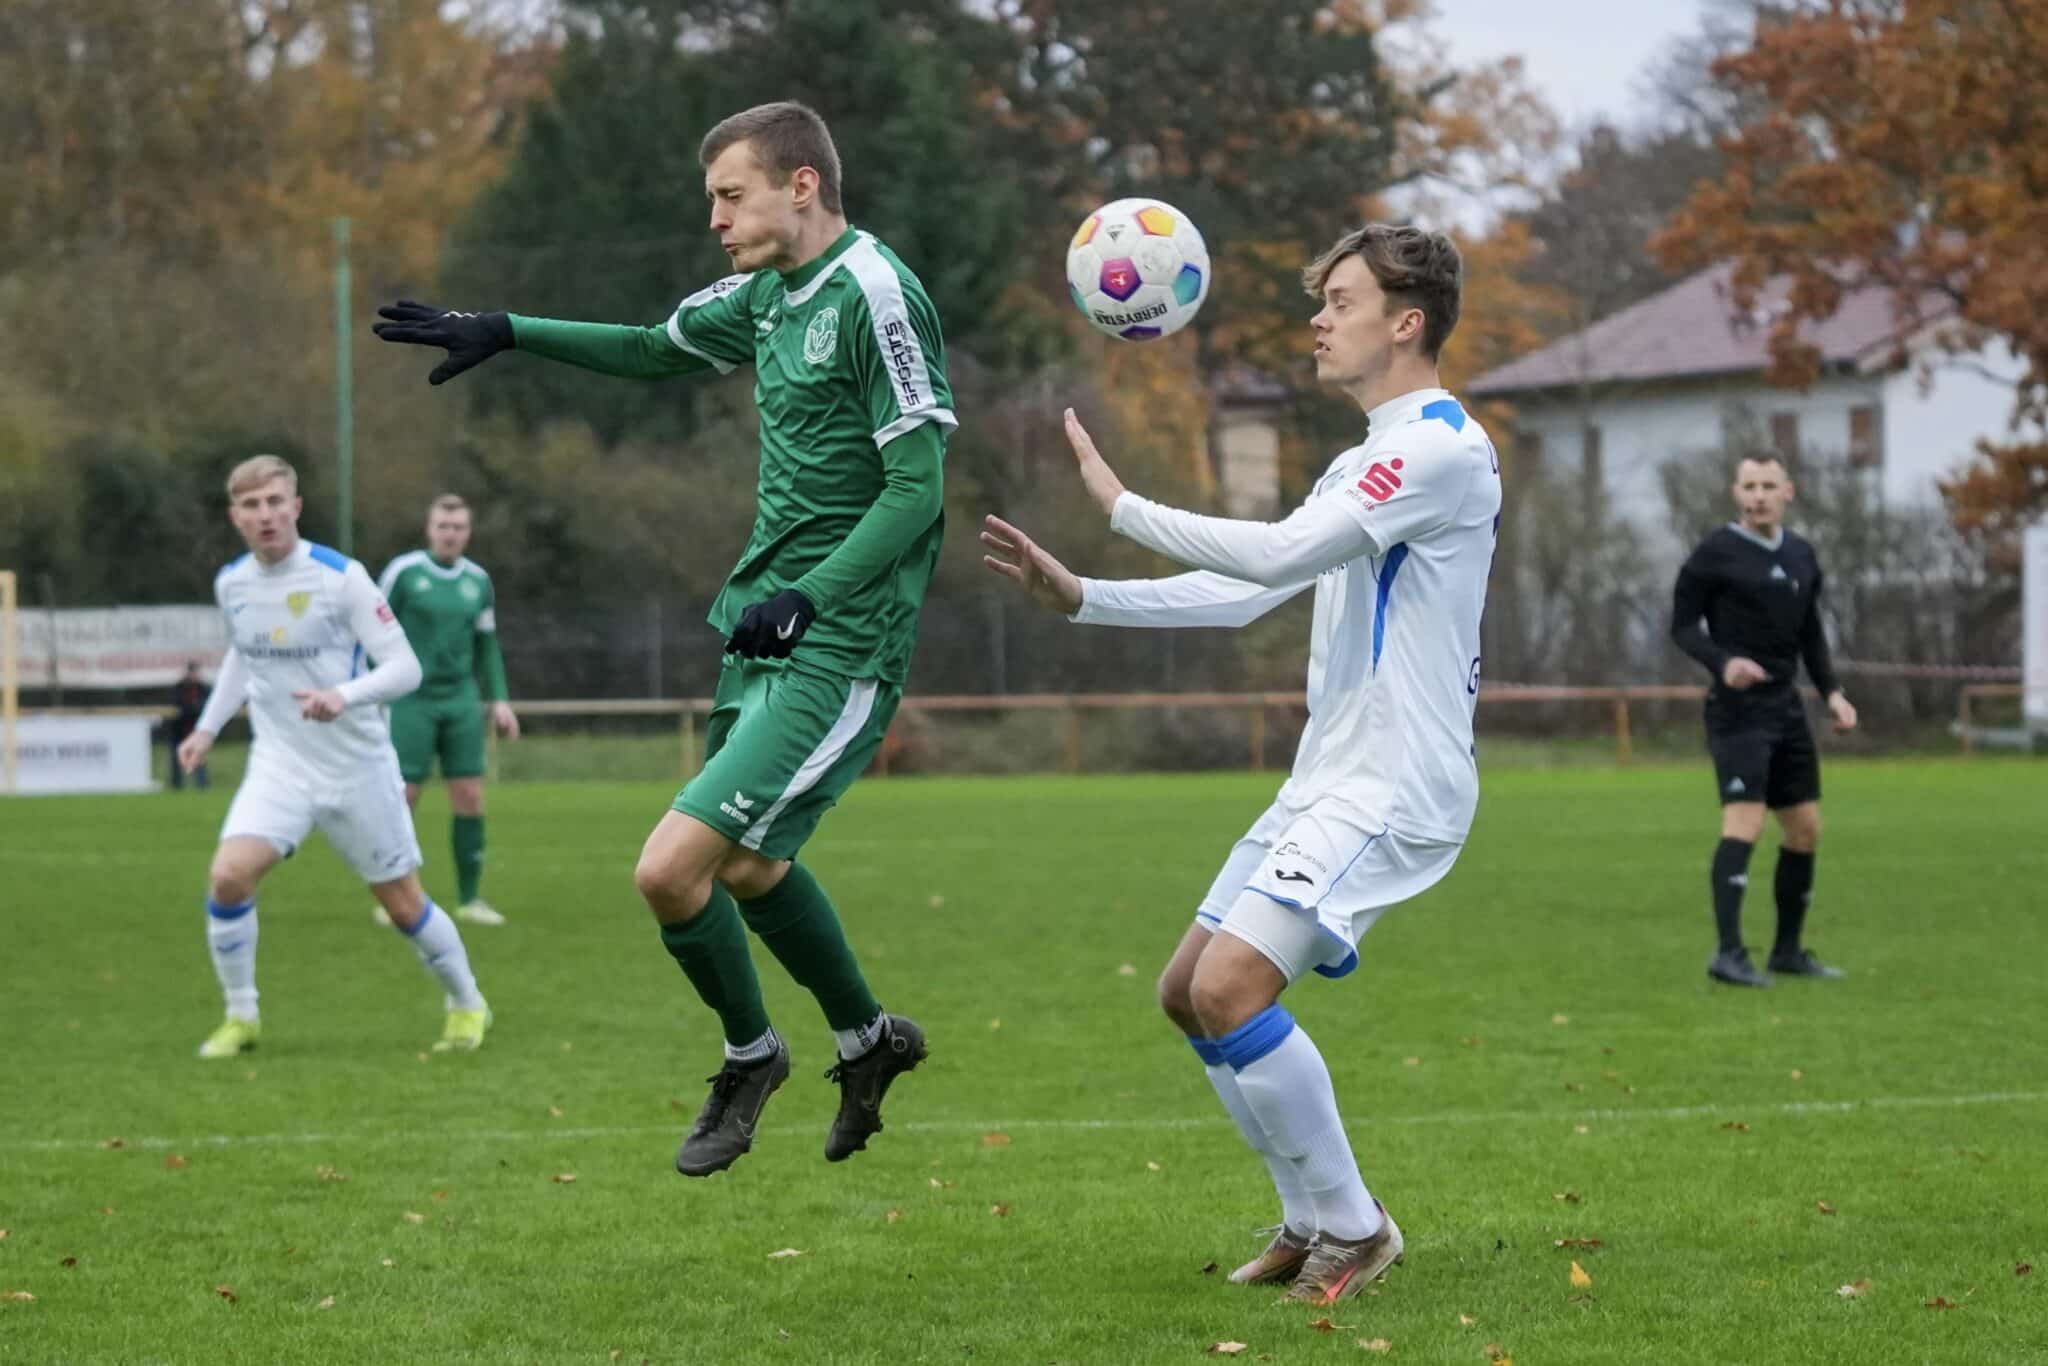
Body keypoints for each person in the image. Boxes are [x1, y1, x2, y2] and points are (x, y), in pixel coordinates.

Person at [375, 101, 943, 1174]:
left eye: (730, 196)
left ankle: (751, 1057)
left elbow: (916, 489)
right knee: (751, 866)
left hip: (840, 638)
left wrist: (813, 593)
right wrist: (508, 329)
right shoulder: (765, 295)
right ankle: (870, 1040)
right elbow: (649, 349)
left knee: (670, 870)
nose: (715, 221)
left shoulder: (874, 292)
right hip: (763, 624)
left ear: (801, 186)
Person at [982, 224, 1498, 1305]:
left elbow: (1273, 554)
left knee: (1229, 985)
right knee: (1187, 991)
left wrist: (1123, 508)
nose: (1319, 319)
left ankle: (1356, 1227)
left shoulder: (1441, 447)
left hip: (1393, 784)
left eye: (1342, 301)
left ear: (1406, 323)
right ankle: (1310, 1219)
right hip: (1330, 778)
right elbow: (1252, 591)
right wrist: (1086, 596)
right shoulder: (1364, 459)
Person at [178, 455, 491, 1058]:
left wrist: (343, 696)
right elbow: (244, 655)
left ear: (295, 507)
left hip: (357, 768)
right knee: (228, 876)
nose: (265, 515)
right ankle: (241, 1016)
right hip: (279, 765)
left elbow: (405, 668)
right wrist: (207, 728)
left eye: (275, 502)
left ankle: (467, 1001)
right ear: (235, 516)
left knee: (402, 904)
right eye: (251, 505)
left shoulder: (341, 577)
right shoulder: (232, 583)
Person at [1670, 454, 1857, 988]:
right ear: (1736, 492)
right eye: (1749, 486)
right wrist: (1724, 662)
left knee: (1805, 827)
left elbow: (1811, 634)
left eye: (1768, 486)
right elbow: (1682, 625)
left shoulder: (1801, 554)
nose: (1758, 495)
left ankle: (1787, 952)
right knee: (1745, 823)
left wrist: (1833, 693)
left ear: (1787, 492)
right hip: (1738, 711)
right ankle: (1729, 954)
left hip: (1787, 707)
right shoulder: (1715, 552)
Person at [372, 494, 520, 928]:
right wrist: (371, 687)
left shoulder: (478, 581)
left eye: (457, 527)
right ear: (429, 529)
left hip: (460, 700)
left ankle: (470, 898)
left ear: (468, 533)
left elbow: (487, 645)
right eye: (443, 526)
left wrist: (500, 699)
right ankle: (396, 897)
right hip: (411, 698)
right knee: (404, 794)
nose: (450, 534)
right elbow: (371, 629)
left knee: (470, 795)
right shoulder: (404, 573)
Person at [167, 661, 210, 790]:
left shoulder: (203, 688)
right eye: (192, 672)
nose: (193, 675)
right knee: (176, 760)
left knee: (199, 759)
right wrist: (192, 707)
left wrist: (192, 708)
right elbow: (177, 705)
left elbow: (205, 705)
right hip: (179, 731)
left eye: (195, 672)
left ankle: (203, 787)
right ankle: (176, 787)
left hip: (196, 731)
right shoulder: (178, 688)